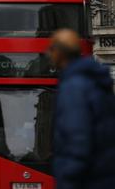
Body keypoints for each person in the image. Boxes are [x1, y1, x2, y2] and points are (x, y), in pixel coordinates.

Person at [48, 29, 115, 189]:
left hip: (87, 180)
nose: (49, 54)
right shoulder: (95, 81)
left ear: (60, 53)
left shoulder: (74, 87)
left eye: (51, 49)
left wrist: (67, 180)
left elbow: (77, 141)